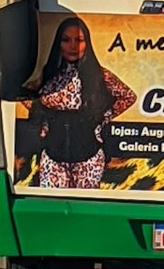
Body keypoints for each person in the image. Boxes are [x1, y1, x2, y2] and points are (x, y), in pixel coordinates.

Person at [27, 17, 136, 188]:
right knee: (53, 206)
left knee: (86, 206)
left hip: (89, 159)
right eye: (66, 40)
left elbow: (128, 96)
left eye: (79, 40)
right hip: (52, 159)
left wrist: (104, 117)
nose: (73, 46)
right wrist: (43, 119)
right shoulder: (47, 75)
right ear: (58, 43)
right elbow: (25, 94)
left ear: (87, 44)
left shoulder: (100, 75)